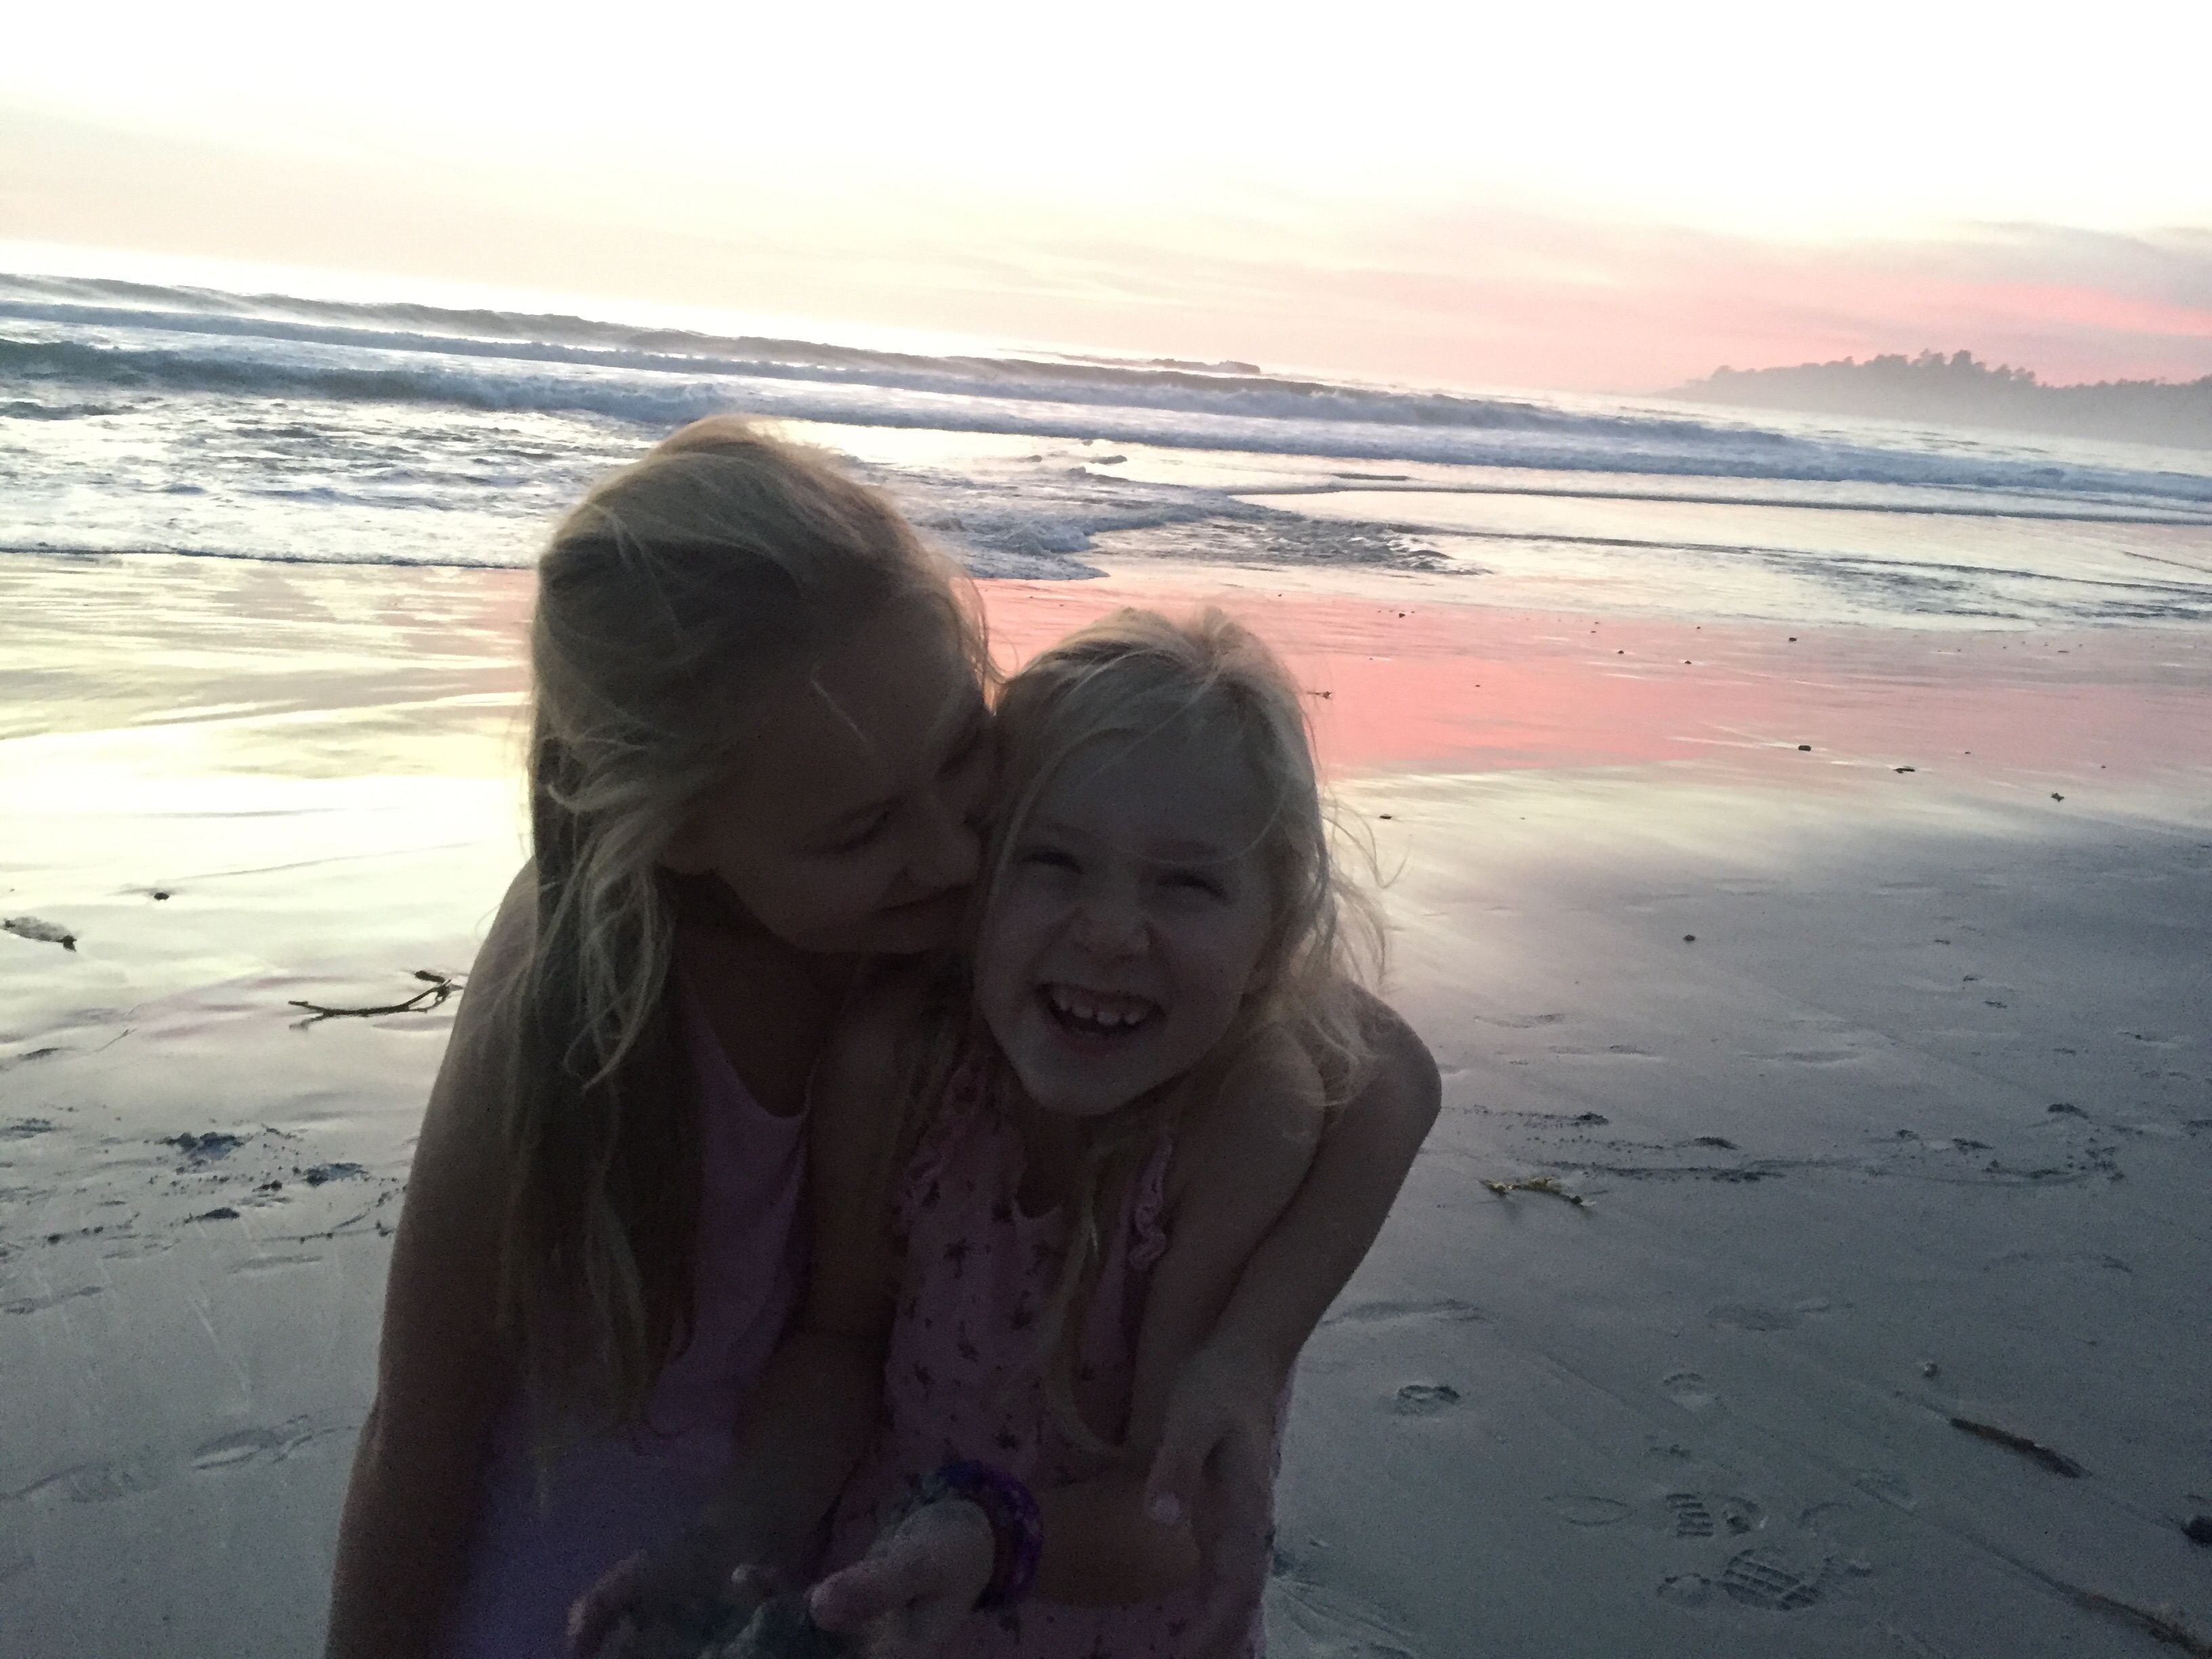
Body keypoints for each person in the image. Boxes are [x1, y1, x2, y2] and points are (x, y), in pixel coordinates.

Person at [323, 419, 1439, 1659]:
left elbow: (1383, 1068)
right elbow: (420, 1435)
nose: (957, 854)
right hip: (610, 1590)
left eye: (965, 760)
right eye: (861, 832)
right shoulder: (585, 988)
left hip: (861, 1586)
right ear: (684, 833)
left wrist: (1249, 1347)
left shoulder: (992, 949)